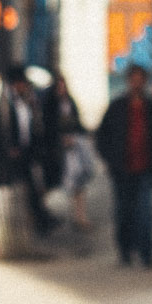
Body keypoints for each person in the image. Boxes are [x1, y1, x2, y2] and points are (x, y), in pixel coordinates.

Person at [96, 64, 152, 267]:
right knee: (123, 212)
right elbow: (103, 136)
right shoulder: (117, 106)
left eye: (140, 78)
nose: (137, 83)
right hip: (122, 169)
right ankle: (125, 251)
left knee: (146, 212)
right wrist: (110, 159)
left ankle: (147, 253)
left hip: (147, 167)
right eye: (133, 78)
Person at [0, 66, 55, 235]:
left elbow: (34, 127)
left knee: (35, 190)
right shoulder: (5, 104)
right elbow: (1, 131)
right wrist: (8, 149)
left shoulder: (29, 102)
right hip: (11, 156)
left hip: (28, 153)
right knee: (15, 192)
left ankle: (40, 222)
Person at [49, 72, 96, 230]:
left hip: (74, 149)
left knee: (79, 183)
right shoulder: (51, 105)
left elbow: (77, 123)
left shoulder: (70, 102)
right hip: (58, 151)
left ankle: (79, 217)